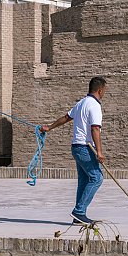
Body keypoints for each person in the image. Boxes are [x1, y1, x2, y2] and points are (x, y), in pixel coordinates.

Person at [40, 76, 106, 226]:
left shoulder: (81, 103)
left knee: (84, 180)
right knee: (97, 178)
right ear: (100, 90)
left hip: (76, 147)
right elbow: (95, 128)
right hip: (85, 147)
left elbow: (65, 117)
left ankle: (78, 217)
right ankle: (79, 212)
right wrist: (100, 152)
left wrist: (49, 127)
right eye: (104, 91)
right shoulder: (94, 105)